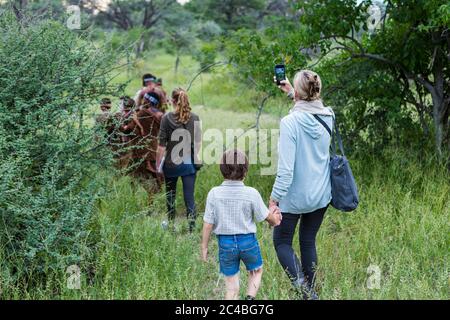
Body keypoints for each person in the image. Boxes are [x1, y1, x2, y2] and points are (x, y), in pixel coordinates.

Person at [270, 70, 334, 300]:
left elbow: (286, 171)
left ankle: (306, 293)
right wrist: (293, 93)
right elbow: (313, 105)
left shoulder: (290, 123)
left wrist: (274, 199)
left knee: (282, 242)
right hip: (321, 195)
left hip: (294, 197)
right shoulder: (329, 115)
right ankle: (313, 289)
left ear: (299, 92)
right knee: (308, 241)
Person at [201, 149, 282, 300]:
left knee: (231, 289)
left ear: (222, 170)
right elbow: (268, 218)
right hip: (248, 242)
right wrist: (276, 218)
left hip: (225, 244)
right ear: (245, 171)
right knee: (256, 271)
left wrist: (204, 248)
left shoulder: (214, 193)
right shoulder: (251, 193)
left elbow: (207, 224)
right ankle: (249, 299)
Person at [156, 88, 201, 232]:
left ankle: (171, 225)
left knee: (170, 196)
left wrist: (158, 165)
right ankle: (192, 230)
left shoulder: (166, 118)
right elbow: (198, 142)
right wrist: (195, 156)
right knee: (189, 198)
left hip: (171, 164)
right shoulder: (194, 118)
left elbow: (161, 146)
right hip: (189, 163)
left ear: (173, 101)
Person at [122, 91, 165, 196]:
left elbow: (128, 130)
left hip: (141, 150)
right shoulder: (160, 115)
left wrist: (123, 122)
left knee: (136, 175)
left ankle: (145, 195)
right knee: (151, 172)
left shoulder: (142, 114)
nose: (142, 101)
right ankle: (156, 192)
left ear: (149, 101)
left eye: (144, 99)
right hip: (154, 147)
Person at [113, 96, 136, 170]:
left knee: (125, 161)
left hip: (128, 141)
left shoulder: (132, 115)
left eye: (120, 104)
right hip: (121, 141)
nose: (119, 105)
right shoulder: (122, 114)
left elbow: (126, 129)